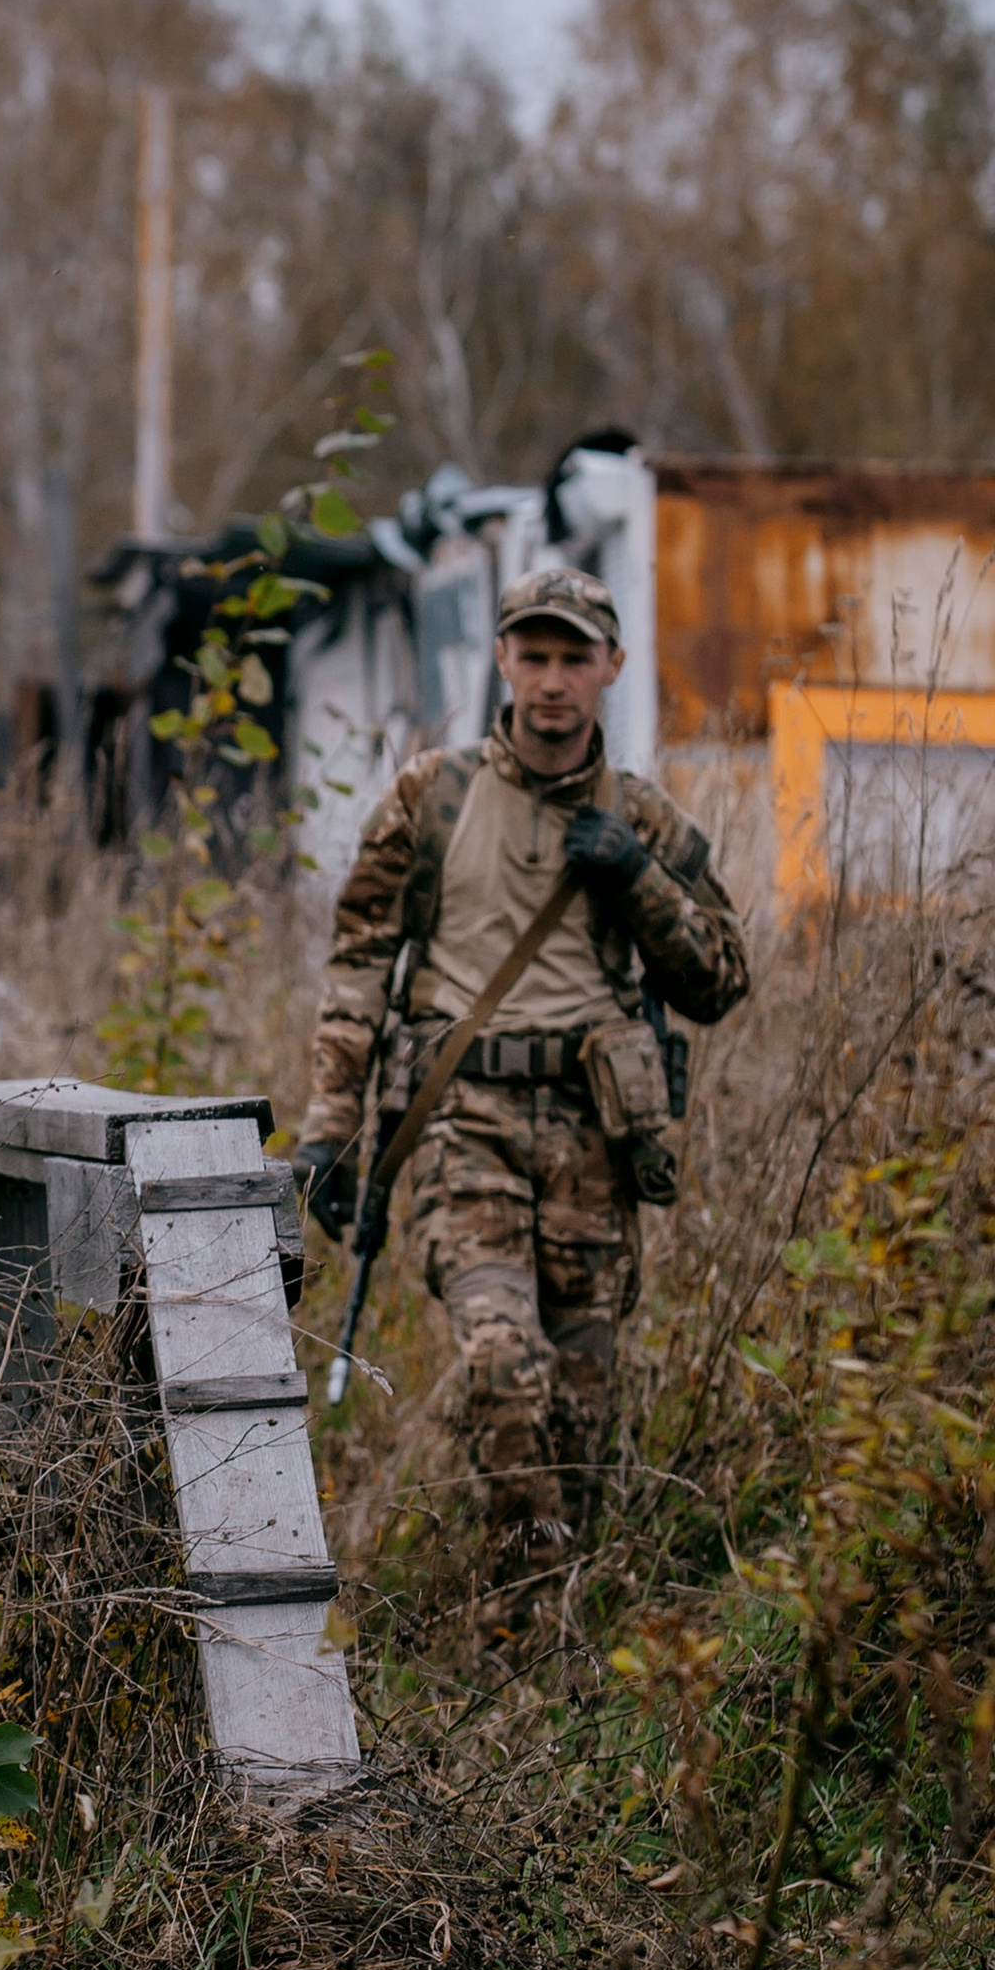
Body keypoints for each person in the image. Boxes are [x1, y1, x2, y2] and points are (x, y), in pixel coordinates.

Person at [291, 563, 749, 1597]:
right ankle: (524, 1615)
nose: (551, 681)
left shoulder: (643, 818)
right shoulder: (430, 796)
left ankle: (559, 1617)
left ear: (610, 668)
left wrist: (635, 880)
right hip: (466, 1124)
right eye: (532, 655)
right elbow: (360, 968)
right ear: (502, 660)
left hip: (596, 1135)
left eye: (572, 659)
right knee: (502, 1363)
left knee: (581, 1408)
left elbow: (720, 980)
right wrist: (330, 1131)